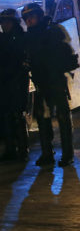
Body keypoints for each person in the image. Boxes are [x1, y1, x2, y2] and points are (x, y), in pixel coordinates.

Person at [22, 3, 77, 167]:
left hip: (56, 81)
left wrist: (56, 68)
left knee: (63, 117)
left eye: (31, 17)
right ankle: (47, 153)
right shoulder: (30, 36)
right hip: (41, 83)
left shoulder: (53, 31)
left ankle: (67, 154)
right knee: (42, 118)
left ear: (39, 16)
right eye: (26, 18)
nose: (29, 20)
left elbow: (67, 54)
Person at [0, 9, 30, 162]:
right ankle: (10, 149)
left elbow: (22, 62)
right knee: (6, 116)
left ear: (14, 23)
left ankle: (23, 149)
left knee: (18, 115)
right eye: (2, 22)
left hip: (17, 82)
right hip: (5, 82)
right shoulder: (3, 38)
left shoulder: (21, 39)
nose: (4, 25)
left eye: (7, 22)